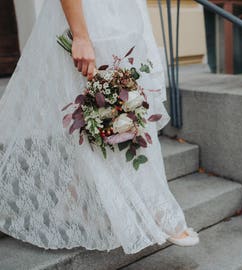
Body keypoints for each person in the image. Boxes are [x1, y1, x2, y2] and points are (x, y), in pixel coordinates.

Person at [0, 0, 199, 254]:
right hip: (92, 18)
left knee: (125, 106)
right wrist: (81, 36)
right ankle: (161, 211)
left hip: (122, 15)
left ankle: (72, 199)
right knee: (108, 109)